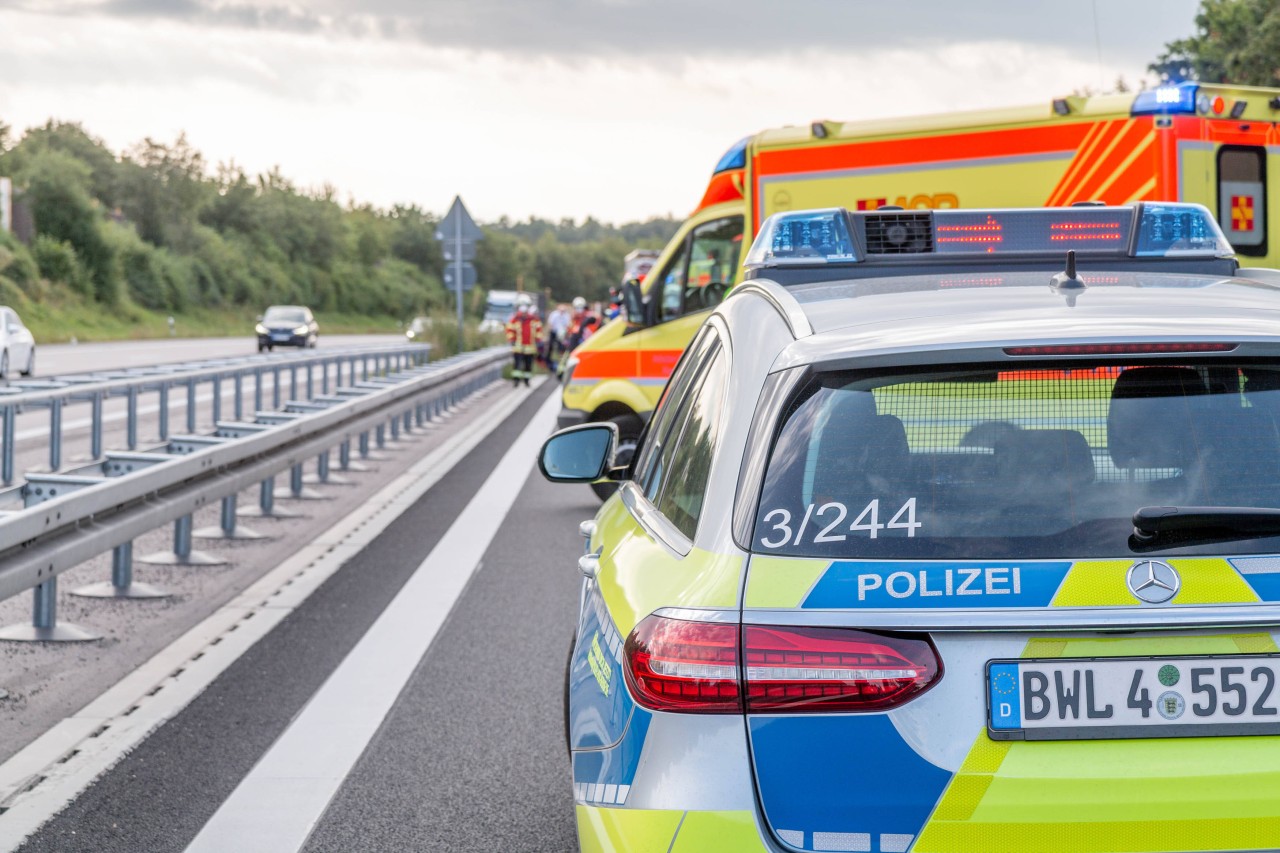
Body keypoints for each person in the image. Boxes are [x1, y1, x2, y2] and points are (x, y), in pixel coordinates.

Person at [504, 295, 542, 387]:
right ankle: (516, 381)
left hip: (530, 347)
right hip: (518, 347)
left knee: (528, 365)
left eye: (525, 305)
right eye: (521, 305)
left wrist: (538, 340)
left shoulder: (533, 319)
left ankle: (527, 380)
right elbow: (509, 330)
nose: (523, 307)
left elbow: (539, 330)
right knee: (517, 365)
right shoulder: (514, 319)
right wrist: (511, 339)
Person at [545, 301, 572, 373]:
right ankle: (549, 362)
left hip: (562, 334)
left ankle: (561, 362)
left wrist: (565, 333)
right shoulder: (554, 314)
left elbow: (568, 325)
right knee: (550, 347)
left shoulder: (566, 316)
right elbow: (550, 324)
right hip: (554, 332)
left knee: (562, 348)